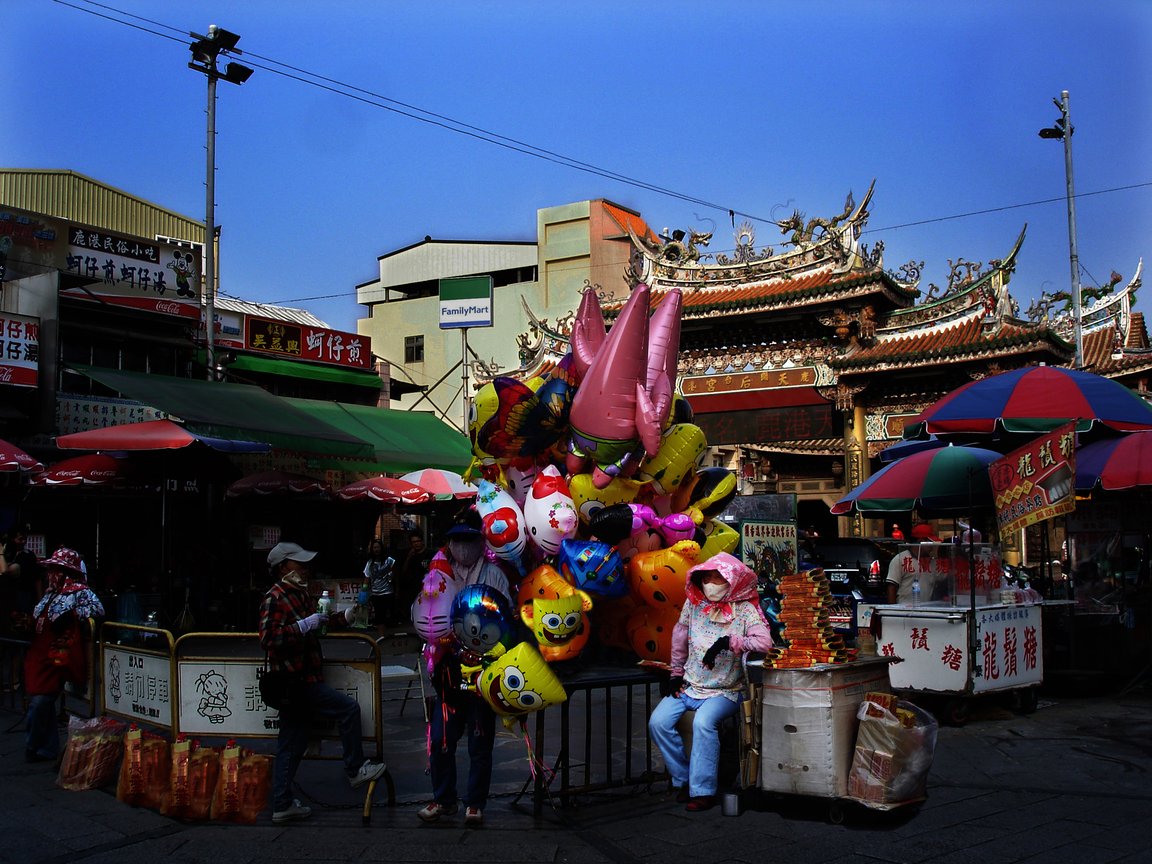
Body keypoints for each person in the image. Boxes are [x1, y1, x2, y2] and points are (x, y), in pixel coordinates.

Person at [259, 541, 387, 824]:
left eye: (306, 564)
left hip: (304, 679)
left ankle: (282, 802)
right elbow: (269, 638)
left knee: (292, 742)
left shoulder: (300, 595)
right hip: (294, 681)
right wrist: (302, 626)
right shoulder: (276, 596)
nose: (305, 569)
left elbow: (322, 622)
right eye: (299, 564)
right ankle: (354, 769)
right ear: (283, 568)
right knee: (347, 710)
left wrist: (347, 616)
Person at [648, 553, 772, 812]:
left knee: (704, 724)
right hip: (690, 684)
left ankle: (703, 790)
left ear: (732, 580)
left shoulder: (746, 610)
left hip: (726, 690)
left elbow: (764, 643)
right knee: (658, 723)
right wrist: (675, 674)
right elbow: (679, 638)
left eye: (718, 577)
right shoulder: (693, 604)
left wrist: (731, 642)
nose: (711, 583)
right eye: (707, 578)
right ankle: (684, 780)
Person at [418, 509, 511, 827]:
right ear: (448, 541)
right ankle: (443, 799)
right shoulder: (437, 572)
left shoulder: (494, 574)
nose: (463, 547)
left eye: (470, 539)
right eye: (457, 540)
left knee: (479, 738)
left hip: (483, 667)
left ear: (481, 540)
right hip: (446, 668)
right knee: (442, 737)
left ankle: (475, 802)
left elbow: (506, 616)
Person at [24, 547, 103, 763]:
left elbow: (98, 611)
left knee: (40, 703)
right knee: (42, 704)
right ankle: (47, 748)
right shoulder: (49, 595)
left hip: (55, 659)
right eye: (51, 569)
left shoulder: (79, 592)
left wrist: (72, 615)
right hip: (37, 656)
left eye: (57, 569)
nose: (52, 573)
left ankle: (32, 745)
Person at [886, 525, 942, 604]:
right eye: (930, 542)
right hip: (904, 611)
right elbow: (891, 588)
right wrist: (892, 611)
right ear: (922, 540)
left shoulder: (932, 562)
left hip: (926, 610)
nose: (932, 546)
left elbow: (945, 576)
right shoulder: (900, 559)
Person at [6, 526, 44, 616]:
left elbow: (36, 578)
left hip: (24, 594)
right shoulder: (4, 554)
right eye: (20, 539)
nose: (23, 542)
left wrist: (40, 600)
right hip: (7, 594)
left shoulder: (29, 556)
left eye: (25, 539)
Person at [363, 539, 397, 635]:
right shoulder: (370, 563)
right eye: (374, 547)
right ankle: (382, 635)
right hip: (375, 593)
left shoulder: (389, 561)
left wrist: (397, 591)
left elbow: (396, 576)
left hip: (387, 592)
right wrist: (364, 590)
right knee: (379, 616)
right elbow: (367, 577)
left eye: (378, 547)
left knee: (380, 616)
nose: (376, 549)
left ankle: (382, 637)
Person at [400, 531, 432, 615]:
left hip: (429, 586)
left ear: (422, 541)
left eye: (417, 541)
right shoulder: (410, 556)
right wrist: (408, 558)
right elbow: (403, 572)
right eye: (413, 542)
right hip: (414, 587)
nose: (416, 544)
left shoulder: (430, 553)